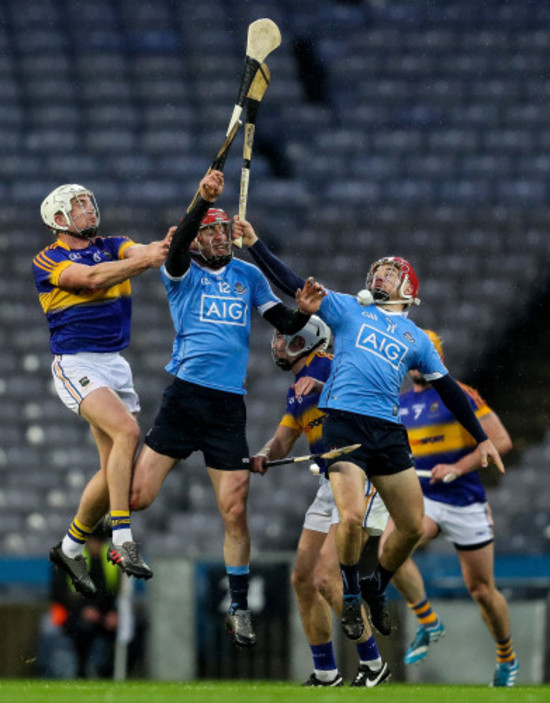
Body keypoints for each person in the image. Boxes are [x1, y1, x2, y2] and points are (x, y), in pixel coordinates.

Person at [232, 218, 505, 644]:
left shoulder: (417, 338)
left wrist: (482, 437)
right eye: (379, 270)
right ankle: (354, 592)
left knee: (412, 527)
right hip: (343, 422)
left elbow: (449, 391)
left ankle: (377, 586)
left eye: (393, 272)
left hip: (387, 430)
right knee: (353, 518)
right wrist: (254, 244)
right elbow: (294, 283)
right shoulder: (348, 308)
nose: (382, 274)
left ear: (409, 290)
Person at [129, 170, 323, 649]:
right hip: (184, 398)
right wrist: (202, 199)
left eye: (221, 231)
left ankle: (238, 607)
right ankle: (93, 539)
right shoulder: (180, 271)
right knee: (138, 498)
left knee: (235, 511)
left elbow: (280, 319)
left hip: (227, 407)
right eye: (209, 232)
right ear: (195, 240)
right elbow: (173, 250)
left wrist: (302, 311)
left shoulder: (248, 274)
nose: (218, 239)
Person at [33, 184, 171, 595]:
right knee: (128, 432)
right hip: (76, 362)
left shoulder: (113, 243)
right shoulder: (49, 258)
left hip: (115, 364)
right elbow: (90, 279)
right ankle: (123, 540)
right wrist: (145, 261)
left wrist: (160, 247)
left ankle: (71, 546)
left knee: (116, 475)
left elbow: (137, 250)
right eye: (77, 206)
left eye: (88, 202)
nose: (87, 209)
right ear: (58, 219)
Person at [250, 317, 391, 687]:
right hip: (329, 482)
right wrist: (262, 455)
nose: (277, 342)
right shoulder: (295, 391)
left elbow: (376, 396)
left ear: (304, 339)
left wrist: (327, 384)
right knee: (302, 578)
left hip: (360, 475)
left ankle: (374, 665)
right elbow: (282, 441)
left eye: (284, 336)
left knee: (328, 578)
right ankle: (326, 673)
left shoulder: (335, 363)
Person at [389, 329, 518, 687]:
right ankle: (429, 621)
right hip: (424, 498)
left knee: (481, 590)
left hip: (463, 500)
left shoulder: (459, 393)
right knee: (390, 551)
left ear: (437, 357)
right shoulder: (397, 402)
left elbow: (501, 440)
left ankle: (507, 657)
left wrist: (457, 468)